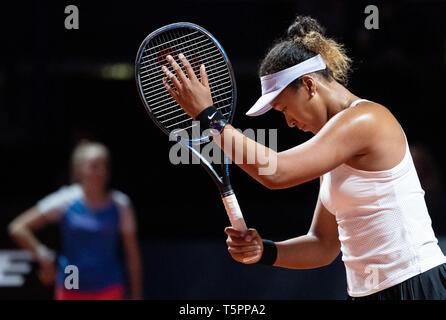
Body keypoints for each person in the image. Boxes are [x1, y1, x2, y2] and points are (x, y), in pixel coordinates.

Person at [160, 15, 446, 299]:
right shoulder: (331, 147)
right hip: (366, 293)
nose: (289, 122)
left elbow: (277, 172)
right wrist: (265, 251)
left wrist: (210, 118)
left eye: (285, 108)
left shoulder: (366, 119)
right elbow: (322, 245)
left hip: (415, 285)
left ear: (309, 85)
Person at [8, 140, 143, 300]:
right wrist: (42, 255)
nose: (101, 171)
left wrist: (137, 295)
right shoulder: (65, 200)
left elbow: (132, 255)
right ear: (80, 169)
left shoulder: (121, 204)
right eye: (94, 165)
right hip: (71, 285)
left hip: (109, 287)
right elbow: (18, 227)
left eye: (104, 165)